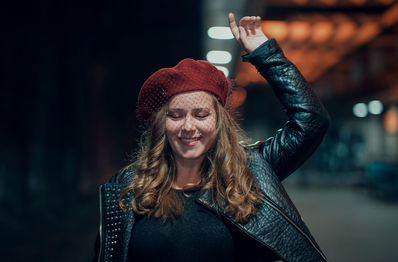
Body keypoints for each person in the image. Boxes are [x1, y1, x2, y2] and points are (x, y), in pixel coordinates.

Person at [92, 13, 330, 262]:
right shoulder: (130, 184)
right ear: (161, 125)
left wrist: (265, 55)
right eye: (175, 116)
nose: (188, 126)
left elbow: (312, 120)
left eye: (201, 114)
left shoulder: (252, 172)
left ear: (219, 122)